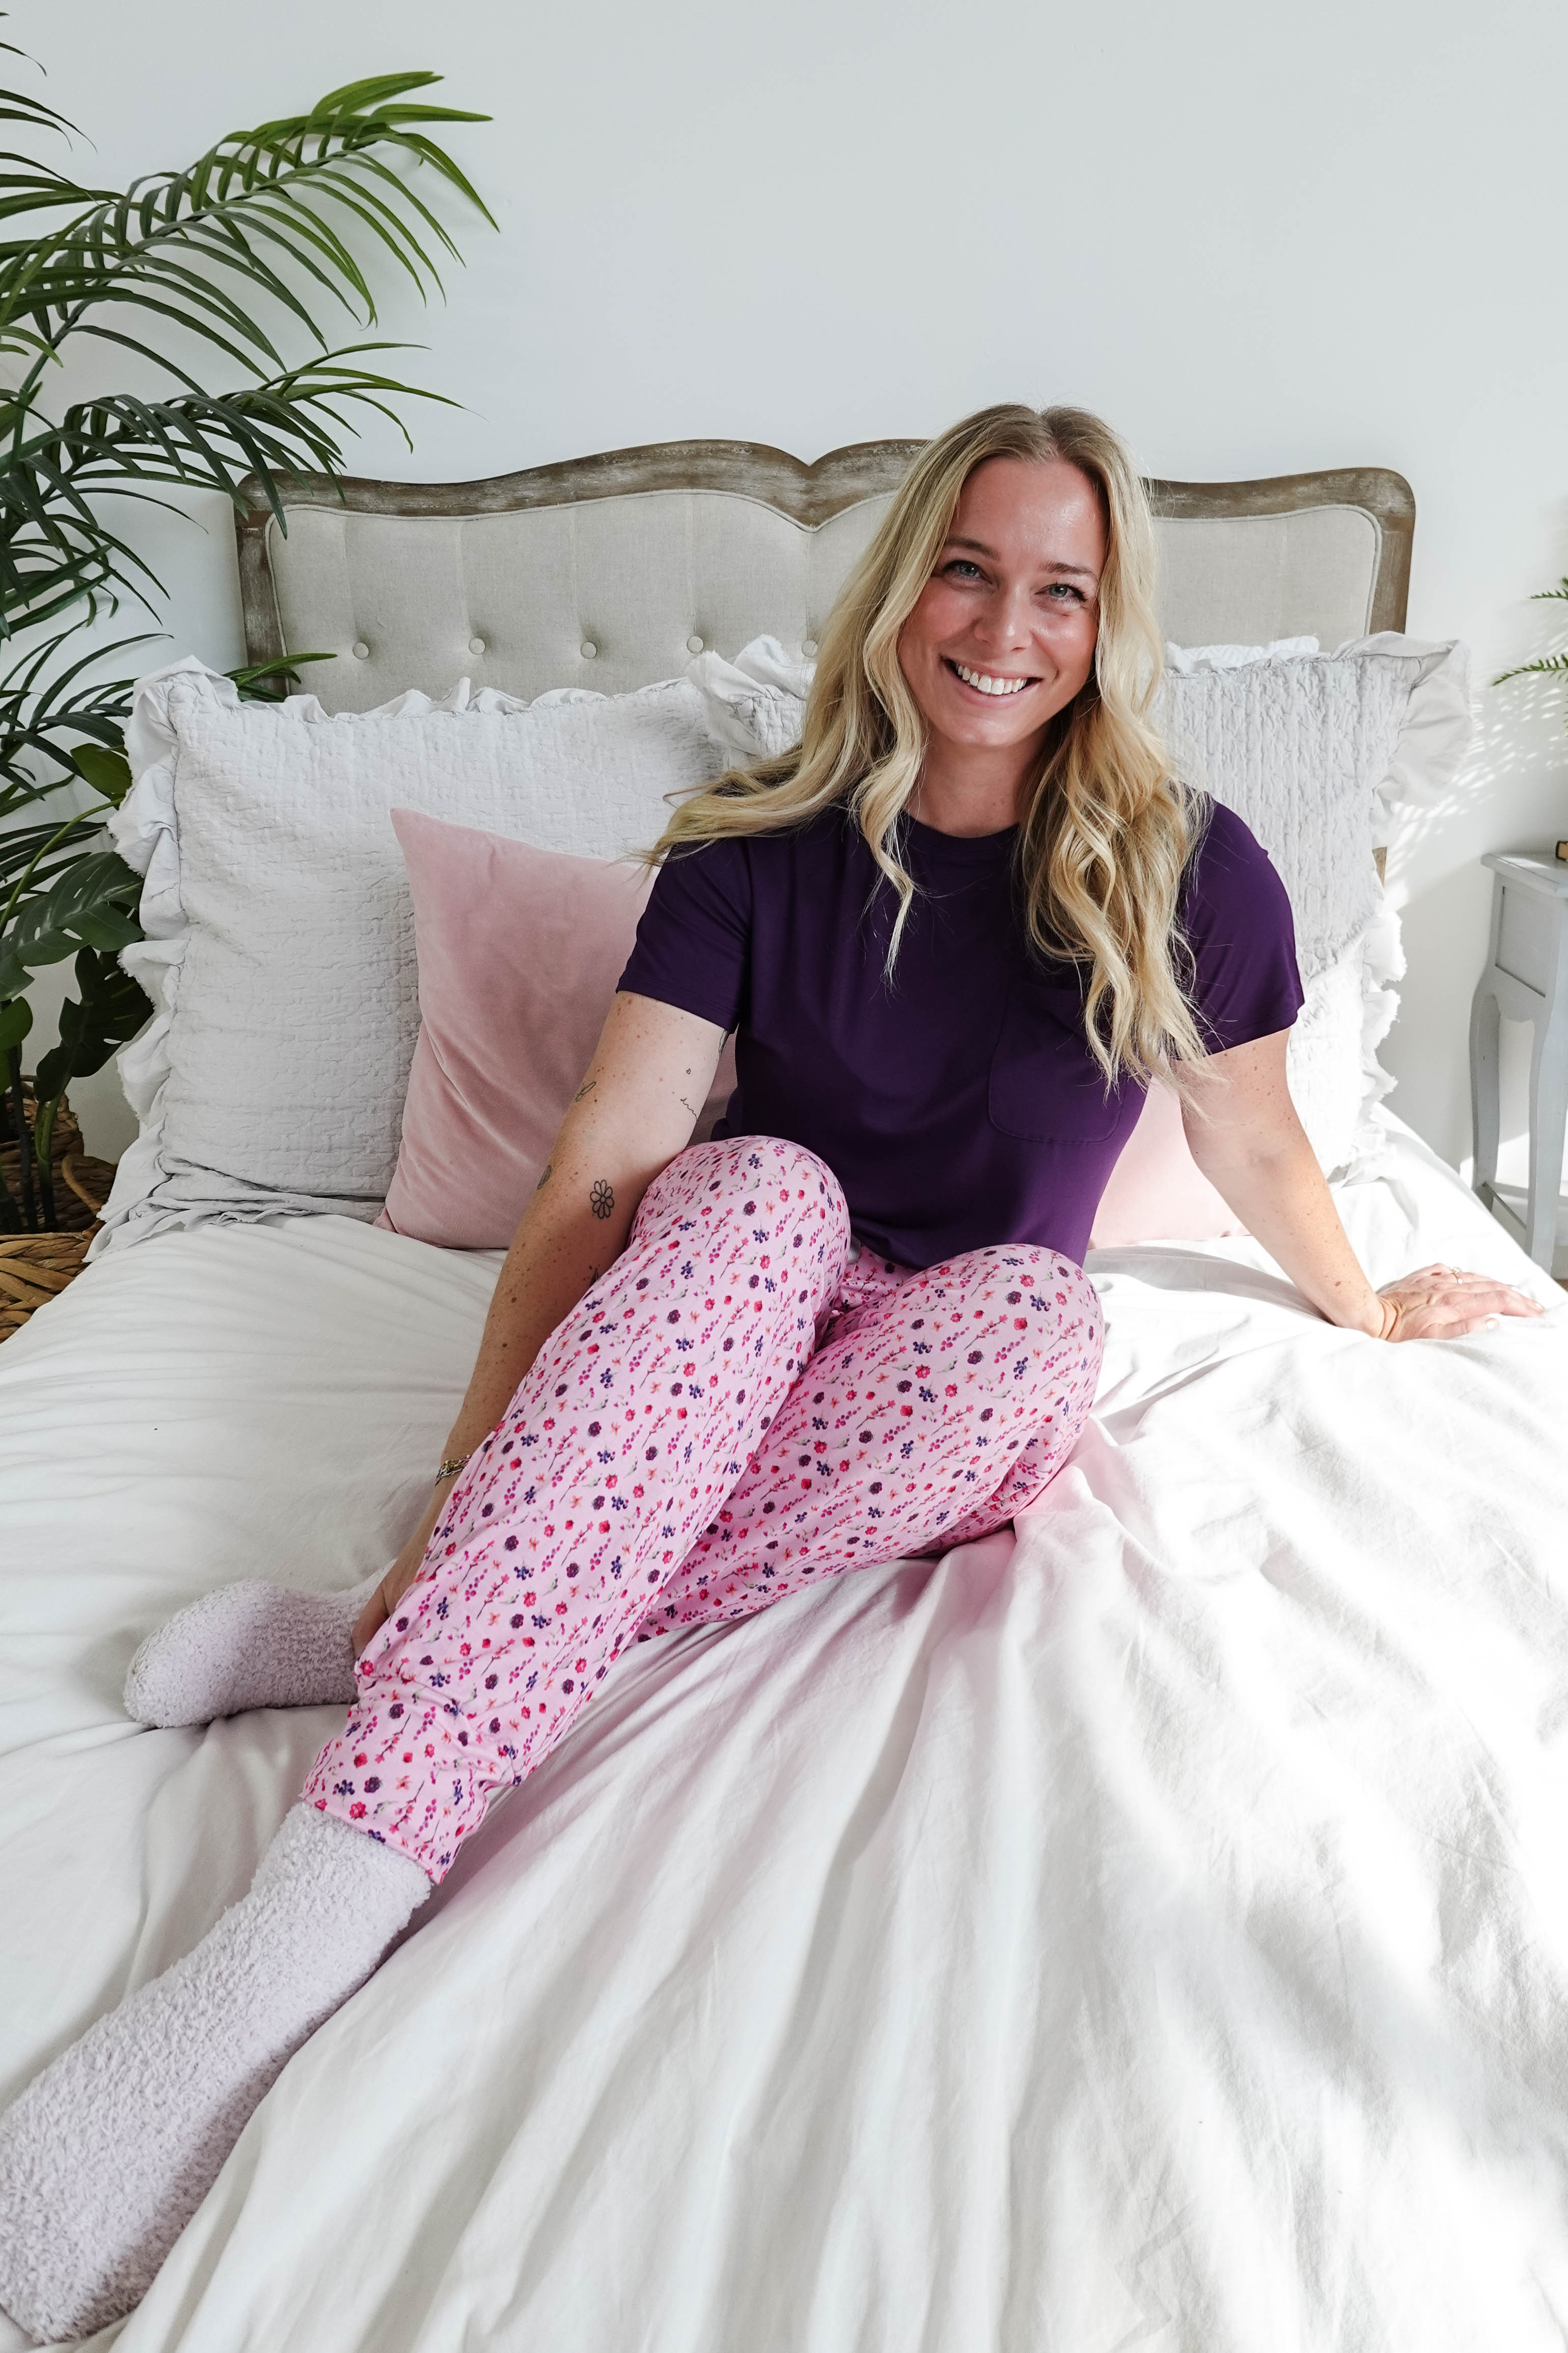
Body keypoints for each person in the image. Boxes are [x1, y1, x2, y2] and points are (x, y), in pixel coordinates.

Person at [0, 403, 1542, 2341]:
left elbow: (1254, 1142)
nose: (1006, 626)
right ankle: (310, 1909)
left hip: (950, 1348)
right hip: (736, 1302)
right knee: (753, 1187)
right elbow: (604, 1173)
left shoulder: (1190, 867)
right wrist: (464, 1486)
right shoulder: (757, 850)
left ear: (1107, 619)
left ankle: (425, 1627)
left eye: (1061, 588)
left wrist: (1372, 1296)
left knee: (1045, 1318)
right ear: (906, 588)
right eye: (969, 569)